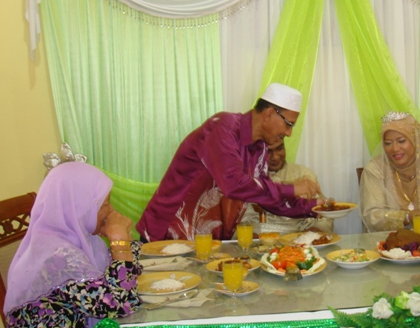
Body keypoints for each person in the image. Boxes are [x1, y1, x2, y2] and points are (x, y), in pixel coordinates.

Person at [0, 162, 142, 328]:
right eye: (104, 204)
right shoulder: (58, 256)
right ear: (79, 206)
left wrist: (124, 246)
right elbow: (120, 303)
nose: (110, 211)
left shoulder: (75, 240)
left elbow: (120, 278)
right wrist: (120, 240)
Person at [137, 83, 323, 241]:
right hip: (166, 234)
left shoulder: (260, 149)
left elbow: (266, 197)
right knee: (149, 274)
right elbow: (234, 184)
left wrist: (316, 208)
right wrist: (292, 189)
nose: (289, 133)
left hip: (207, 241)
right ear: (268, 114)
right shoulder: (224, 127)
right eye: (289, 124)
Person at [240, 141, 334, 234]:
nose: (275, 157)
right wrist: (247, 235)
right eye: (268, 152)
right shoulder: (245, 179)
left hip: (297, 239)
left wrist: (313, 232)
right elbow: (237, 220)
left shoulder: (304, 175)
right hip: (254, 239)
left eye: (279, 148)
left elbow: (325, 216)